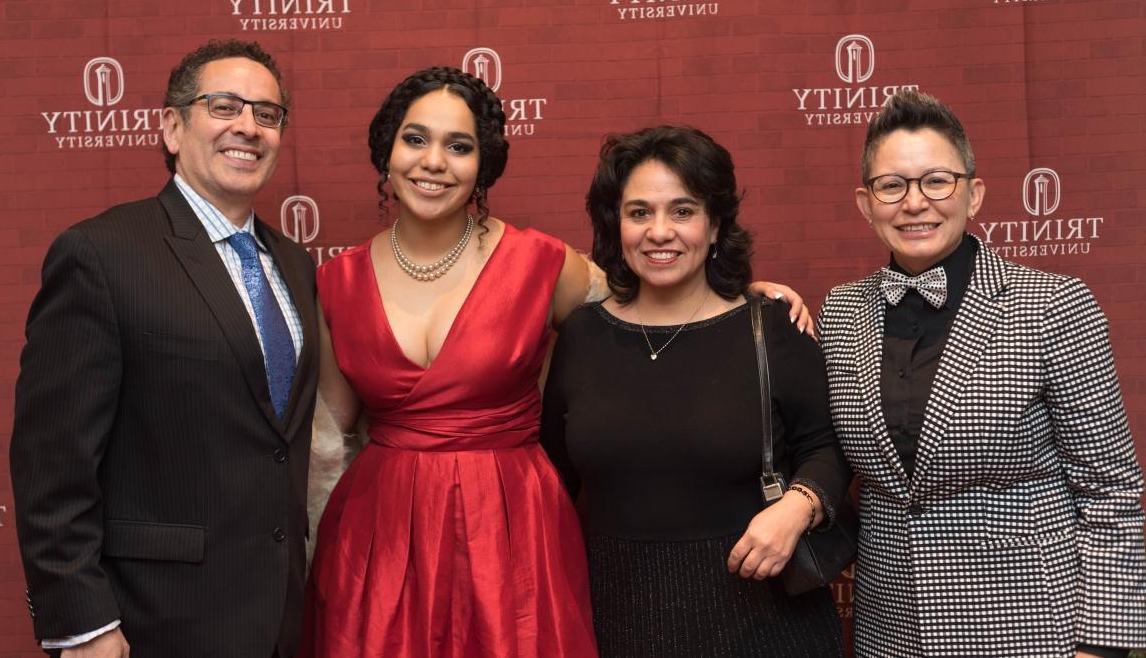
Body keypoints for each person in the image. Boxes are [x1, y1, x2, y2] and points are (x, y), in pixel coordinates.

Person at [302, 70, 809, 657]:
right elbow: (329, 443)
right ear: (386, 151)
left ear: (482, 164)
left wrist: (740, 296)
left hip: (511, 528)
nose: (433, 162)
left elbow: (653, 296)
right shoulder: (335, 282)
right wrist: (328, 556)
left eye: (459, 146)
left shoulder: (541, 263)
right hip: (382, 537)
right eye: (415, 139)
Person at [9, 39, 319, 658]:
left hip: (279, 619)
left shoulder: (293, 263)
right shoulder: (103, 254)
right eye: (225, 106)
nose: (248, 128)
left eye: (267, 113)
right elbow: (52, 459)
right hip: (152, 622)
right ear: (173, 127)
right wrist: (84, 625)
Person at [817, 90, 1146, 658]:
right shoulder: (842, 311)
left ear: (974, 194)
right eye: (892, 186)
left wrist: (1102, 646)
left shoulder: (1053, 304)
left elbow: (1111, 491)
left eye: (937, 181)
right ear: (866, 204)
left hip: (1032, 627)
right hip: (891, 628)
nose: (914, 203)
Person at [540, 125, 851, 657]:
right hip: (618, 617)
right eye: (640, 213)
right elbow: (550, 478)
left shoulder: (772, 325)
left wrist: (798, 507)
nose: (660, 231)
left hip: (765, 621)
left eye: (682, 211)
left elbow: (828, 448)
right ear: (617, 226)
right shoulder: (582, 334)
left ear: (714, 226)